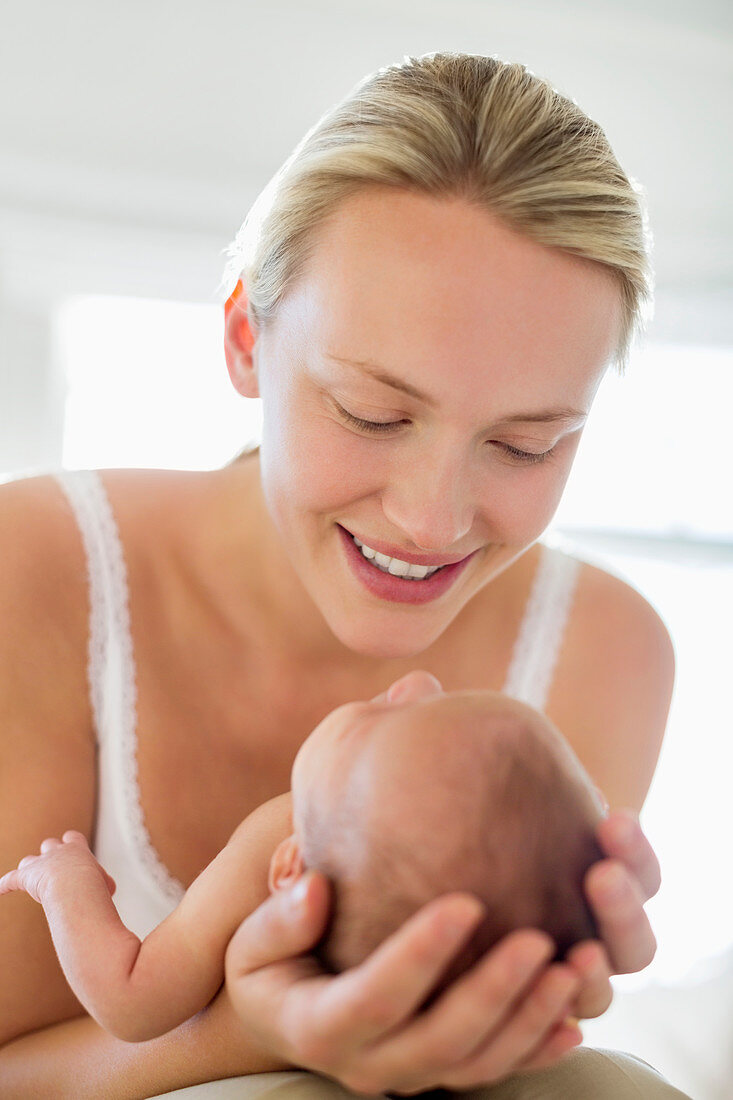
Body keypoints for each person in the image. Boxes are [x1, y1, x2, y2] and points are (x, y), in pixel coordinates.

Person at [0, 51, 690, 1099]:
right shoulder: (31, 574)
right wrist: (255, 1032)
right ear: (244, 337)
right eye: (372, 413)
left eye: (526, 443)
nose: (431, 519)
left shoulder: (607, 650)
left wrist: (526, 1004)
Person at [0, 682, 608, 1048]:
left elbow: (131, 999)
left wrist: (66, 885)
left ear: (292, 876)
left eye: (378, 720)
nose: (415, 682)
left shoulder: (284, 834)